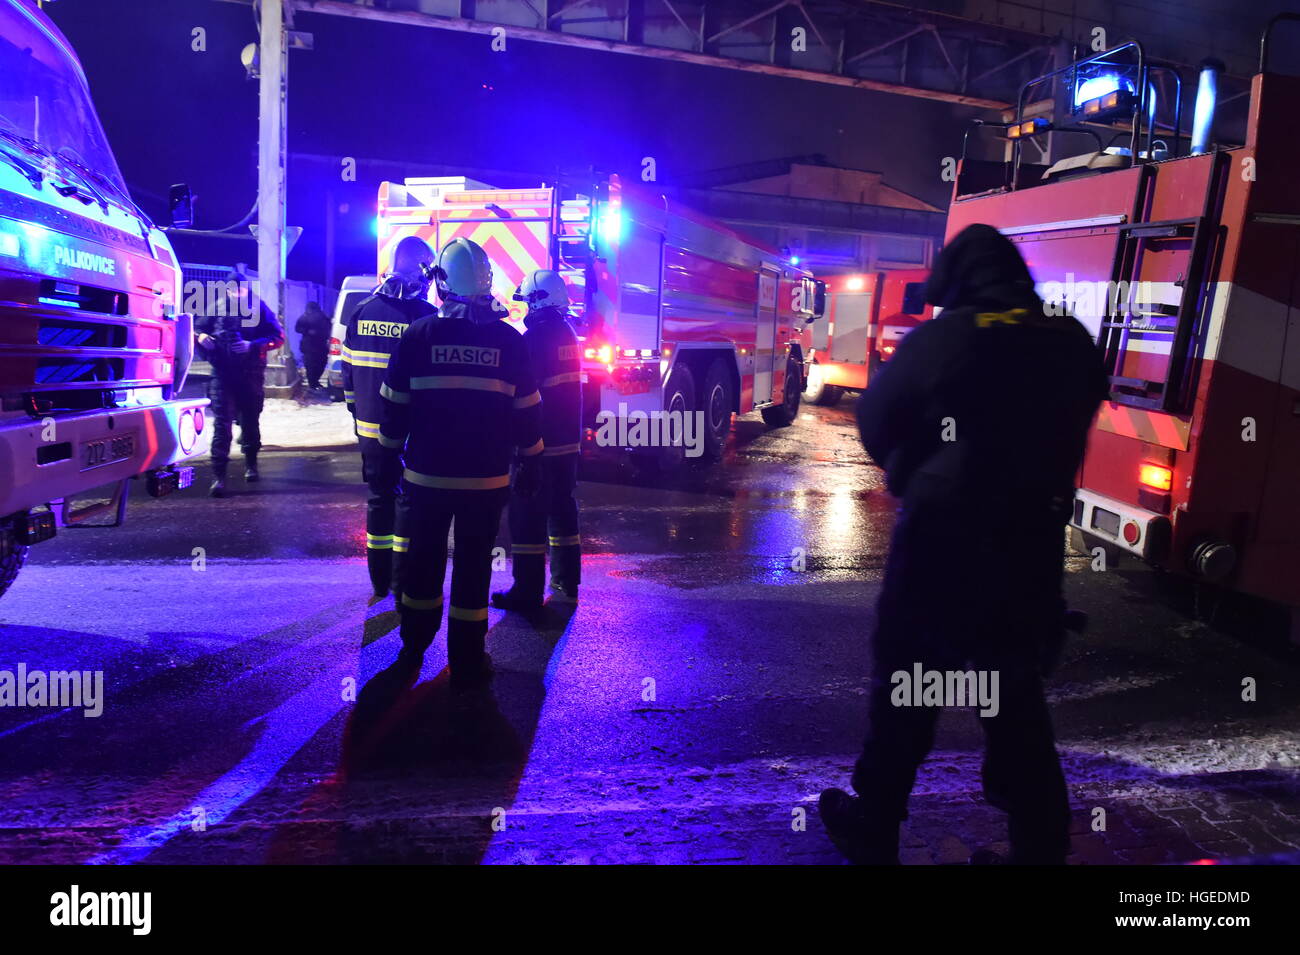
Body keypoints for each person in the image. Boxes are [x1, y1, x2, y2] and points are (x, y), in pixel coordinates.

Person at [818, 223, 1109, 865]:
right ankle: (1041, 844)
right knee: (1012, 693)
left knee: (909, 687)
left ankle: (874, 828)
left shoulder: (946, 338)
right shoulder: (1070, 341)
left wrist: (912, 465)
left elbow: (876, 420)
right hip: (1030, 548)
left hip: (941, 545)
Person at [376, 237, 543, 692]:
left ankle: (413, 648)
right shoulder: (510, 342)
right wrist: (532, 461)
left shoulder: (418, 335)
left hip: (426, 479)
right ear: (486, 285)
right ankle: (468, 657)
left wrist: (386, 459)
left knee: (423, 562)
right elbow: (527, 412)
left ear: (442, 285)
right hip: (485, 482)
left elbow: (394, 408)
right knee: (474, 566)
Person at [341, 236, 438, 599]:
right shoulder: (426, 318)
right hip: (413, 435)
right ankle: (402, 582)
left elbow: (347, 376)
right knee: (408, 504)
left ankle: (379, 582)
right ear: (423, 271)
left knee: (379, 499)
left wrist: (358, 414)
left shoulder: (361, 311)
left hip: (370, 432)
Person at [492, 269, 582, 613]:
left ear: (538, 300)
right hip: (567, 443)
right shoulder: (568, 334)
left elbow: (523, 395)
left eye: (528, 301)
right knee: (561, 510)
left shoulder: (533, 339)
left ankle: (527, 592)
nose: (525, 308)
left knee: (527, 516)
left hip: (539, 444)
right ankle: (566, 579)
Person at [195, 276, 285, 497]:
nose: (237, 294)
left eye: (241, 290)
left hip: (250, 375)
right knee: (222, 425)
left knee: (250, 421)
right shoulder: (215, 308)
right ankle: (219, 476)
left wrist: (251, 346)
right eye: (233, 290)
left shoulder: (259, 308)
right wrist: (201, 337)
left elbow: (277, 336)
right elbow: (195, 330)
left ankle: (251, 464)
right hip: (222, 374)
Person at [295, 300, 332, 391]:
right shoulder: (304, 317)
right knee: (311, 365)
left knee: (321, 363)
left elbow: (328, 327)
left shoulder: (322, 317)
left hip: (321, 345)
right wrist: (308, 331)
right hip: (309, 345)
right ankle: (312, 383)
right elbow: (297, 328)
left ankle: (315, 381)